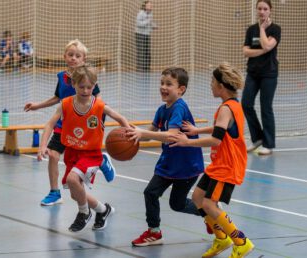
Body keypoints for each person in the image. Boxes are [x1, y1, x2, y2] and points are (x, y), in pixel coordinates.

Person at [168, 62, 254, 258]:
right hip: (219, 164)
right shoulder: (231, 105)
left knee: (208, 205)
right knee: (198, 198)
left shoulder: (226, 109)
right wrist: (197, 130)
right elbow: (219, 128)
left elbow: (216, 138)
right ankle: (221, 238)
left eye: (213, 81)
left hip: (228, 165)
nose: (211, 85)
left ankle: (241, 242)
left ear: (221, 86)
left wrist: (186, 142)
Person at [38, 64, 130, 232]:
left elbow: (120, 117)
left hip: (91, 154)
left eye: (89, 87)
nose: (86, 90)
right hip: (72, 153)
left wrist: (129, 133)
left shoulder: (99, 105)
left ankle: (84, 213)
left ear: (94, 86)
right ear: (73, 84)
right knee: (75, 193)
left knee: (73, 180)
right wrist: (43, 145)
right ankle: (103, 210)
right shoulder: (65, 104)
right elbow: (50, 124)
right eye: (82, 87)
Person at [24, 39, 116, 206]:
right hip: (63, 126)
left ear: (84, 59)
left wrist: (99, 117)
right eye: (71, 55)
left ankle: (101, 160)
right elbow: (58, 98)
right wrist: (37, 105)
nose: (74, 58)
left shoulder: (86, 77)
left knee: (81, 163)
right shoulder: (61, 77)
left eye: (77, 56)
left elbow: (98, 99)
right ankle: (54, 192)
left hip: (82, 127)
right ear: (64, 56)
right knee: (52, 155)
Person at [126, 67, 204, 247]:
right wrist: (133, 135)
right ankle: (154, 232)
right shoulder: (162, 109)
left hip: (186, 165)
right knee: (150, 192)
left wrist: (143, 132)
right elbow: (151, 132)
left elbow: (171, 135)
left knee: (177, 204)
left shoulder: (179, 108)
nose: (163, 87)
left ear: (181, 89)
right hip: (169, 162)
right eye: (162, 83)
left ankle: (209, 212)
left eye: (169, 84)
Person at [241, 0, 281, 156]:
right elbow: (245, 51)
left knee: (266, 107)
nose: (262, 11)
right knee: (246, 104)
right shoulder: (251, 29)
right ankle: (257, 138)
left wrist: (263, 29)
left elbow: (267, 45)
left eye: (265, 9)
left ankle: (268, 144)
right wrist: (261, 51)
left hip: (269, 74)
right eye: (260, 9)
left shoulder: (275, 29)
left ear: (270, 10)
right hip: (253, 73)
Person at [135, 0, 157, 72]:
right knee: (141, 53)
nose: (151, 6)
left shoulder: (150, 14)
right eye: (149, 5)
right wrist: (148, 21)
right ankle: (141, 70)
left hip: (147, 34)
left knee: (147, 52)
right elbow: (139, 24)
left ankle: (147, 69)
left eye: (151, 5)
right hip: (140, 35)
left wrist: (154, 26)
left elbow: (149, 23)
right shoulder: (141, 13)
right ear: (145, 6)